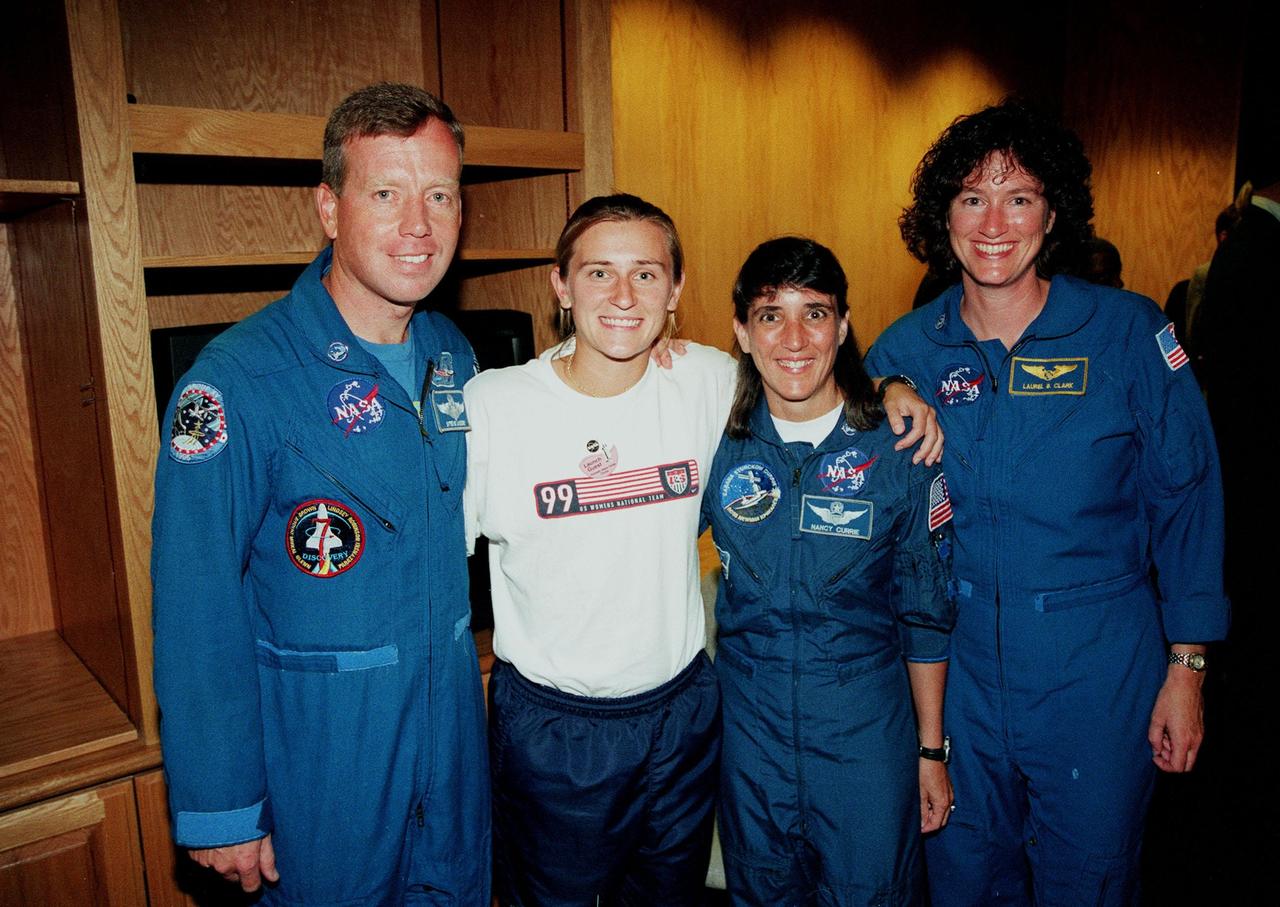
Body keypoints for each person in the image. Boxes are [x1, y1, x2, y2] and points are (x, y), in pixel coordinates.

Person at [463, 195, 941, 905]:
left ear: (675, 291)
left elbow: (818, 373)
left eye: (647, 275)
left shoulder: (707, 382)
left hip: (683, 719)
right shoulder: (492, 405)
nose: (624, 297)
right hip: (559, 732)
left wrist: (896, 387)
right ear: (561, 285)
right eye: (599, 273)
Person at [866, 99, 1229, 906]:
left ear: (1053, 212)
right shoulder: (904, 350)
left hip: (1095, 669)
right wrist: (880, 386)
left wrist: (1189, 665)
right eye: (971, 198)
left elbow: (1190, 500)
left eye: (1019, 197)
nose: (994, 222)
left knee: (1090, 880)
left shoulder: (1128, 333)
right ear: (943, 218)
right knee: (960, 879)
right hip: (954, 676)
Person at [152, 83, 489, 904]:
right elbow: (196, 606)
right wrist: (221, 806)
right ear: (329, 207)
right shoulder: (235, 384)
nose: (419, 225)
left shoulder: (457, 357)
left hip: (451, 749)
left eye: (439, 195)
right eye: (386, 193)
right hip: (324, 766)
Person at [703, 236, 955, 904]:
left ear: (843, 325)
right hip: (750, 735)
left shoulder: (898, 447)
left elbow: (926, 613)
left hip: (863, 736)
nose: (794, 337)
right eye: (769, 314)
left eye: (814, 313)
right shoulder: (715, 441)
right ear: (741, 330)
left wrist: (931, 751)